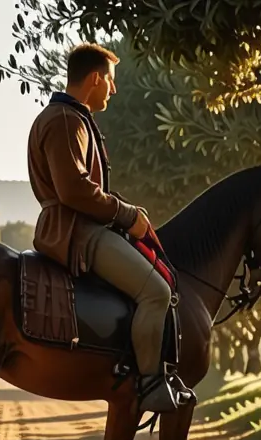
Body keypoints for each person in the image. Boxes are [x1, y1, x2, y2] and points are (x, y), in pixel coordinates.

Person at [27, 43, 194, 413]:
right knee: (156, 292)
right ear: (95, 79)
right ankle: (150, 383)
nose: (113, 90)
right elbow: (74, 190)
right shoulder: (65, 120)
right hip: (78, 232)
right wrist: (126, 214)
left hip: (80, 226)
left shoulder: (68, 117)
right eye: (111, 82)